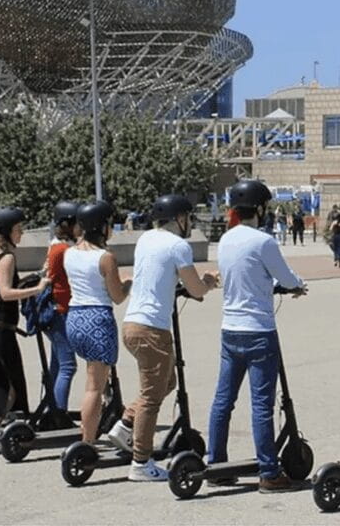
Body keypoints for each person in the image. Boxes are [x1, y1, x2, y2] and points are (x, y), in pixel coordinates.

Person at [108, 194, 219, 482]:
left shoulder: (146, 238)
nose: (190, 223)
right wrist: (208, 282)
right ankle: (141, 463)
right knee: (152, 398)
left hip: (132, 324)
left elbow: (159, 274)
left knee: (167, 382)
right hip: (152, 329)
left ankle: (125, 424)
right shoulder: (178, 245)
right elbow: (195, 288)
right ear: (179, 218)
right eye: (189, 218)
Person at [209, 179, 306, 493]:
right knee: (262, 405)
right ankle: (269, 471)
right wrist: (297, 285)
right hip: (259, 331)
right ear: (260, 209)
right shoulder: (263, 241)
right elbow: (286, 277)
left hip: (230, 329)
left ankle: (216, 464)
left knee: (223, 400)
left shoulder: (225, 240)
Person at [64, 200, 132, 444]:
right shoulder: (105, 258)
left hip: (75, 317)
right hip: (97, 319)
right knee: (94, 387)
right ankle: (87, 441)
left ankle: (91, 433)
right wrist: (128, 284)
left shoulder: (69, 253)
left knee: (92, 379)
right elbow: (117, 296)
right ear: (102, 227)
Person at [0, 208, 49, 435]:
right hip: (1, 328)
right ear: (5, 231)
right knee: (9, 382)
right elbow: (6, 293)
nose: (21, 233)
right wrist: (37, 289)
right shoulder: (7, 258)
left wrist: (34, 277)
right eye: (18, 229)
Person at [44, 201, 81, 411]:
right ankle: (58, 412)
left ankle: (52, 407)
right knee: (68, 366)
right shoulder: (63, 250)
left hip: (56, 309)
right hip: (61, 311)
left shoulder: (56, 246)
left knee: (57, 364)